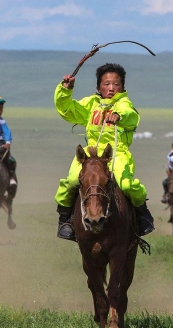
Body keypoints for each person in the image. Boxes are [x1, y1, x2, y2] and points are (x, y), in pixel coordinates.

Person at [53, 63, 155, 241]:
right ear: (98, 87)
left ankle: (142, 216)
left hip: (116, 153)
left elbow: (129, 114)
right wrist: (65, 90)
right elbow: (67, 109)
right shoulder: (91, 104)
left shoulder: (124, 104)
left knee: (126, 185)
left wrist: (119, 116)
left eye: (116, 84)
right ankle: (65, 221)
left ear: (122, 87)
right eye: (107, 84)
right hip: (90, 153)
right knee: (70, 181)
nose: (111, 88)